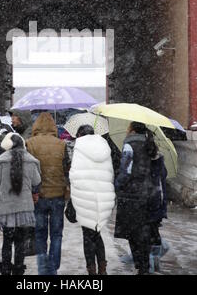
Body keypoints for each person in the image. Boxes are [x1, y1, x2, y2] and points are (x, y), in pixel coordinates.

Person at [0, 132, 41, 275]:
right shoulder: (31, 161)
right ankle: (19, 269)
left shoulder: (1, 160)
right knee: (20, 241)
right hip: (24, 207)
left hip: (6, 207)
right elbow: (37, 182)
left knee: (7, 240)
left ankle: (6, 268)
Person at [69, 125, 116, 275]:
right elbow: (110, 172)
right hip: (103, 196)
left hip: (85, 196)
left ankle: (92, 270)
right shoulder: (104, 147)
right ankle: (102, 268)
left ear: (80, 135)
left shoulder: (79, 148)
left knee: (88, 235)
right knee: (97, 232)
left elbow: (75, 175)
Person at [26, 112, 68, 275]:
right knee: (57, 234)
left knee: (40, 233)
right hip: (58, 194)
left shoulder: (30, 144)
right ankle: (53, 267)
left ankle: (43, 269)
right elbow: (66, 169)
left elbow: (27, 170)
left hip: (38, 196)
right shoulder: (61, 144)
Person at [114, 121, 158, 275]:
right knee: (142, 232)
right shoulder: (149, 144)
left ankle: (140, 264)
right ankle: (144, 265)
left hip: (130, 195)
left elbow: (126, 171)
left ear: (131, 130)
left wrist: (117, 185)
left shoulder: (129, 145)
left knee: (130, 232)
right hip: (146, 193)